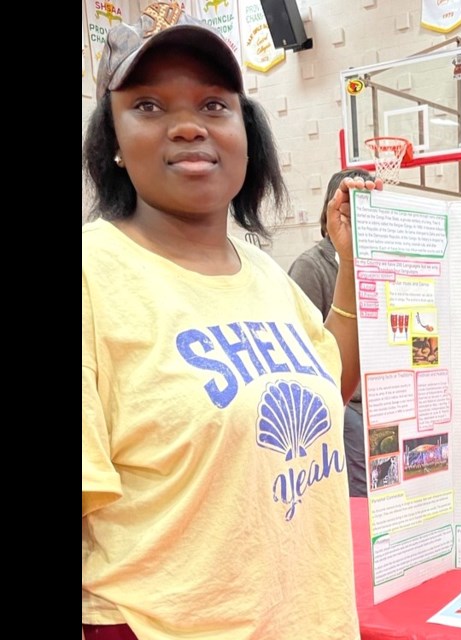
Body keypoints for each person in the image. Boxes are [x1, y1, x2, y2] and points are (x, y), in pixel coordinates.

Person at [81, 4, 382, 638]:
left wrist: (351, 260)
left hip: (310, 620)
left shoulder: (263, 273)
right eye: (150, 106)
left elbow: (336, 385)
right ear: (111, 146)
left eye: (214, 105)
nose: (189, 126)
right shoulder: (93, 275)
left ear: (247, 133)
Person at [288, 168, 374, 498]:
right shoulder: (311, 267)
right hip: (343, 401)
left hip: (379, 397)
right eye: (349, 209)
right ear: (330, 212)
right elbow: (301, 347)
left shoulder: (380, 265)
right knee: (361, 478)